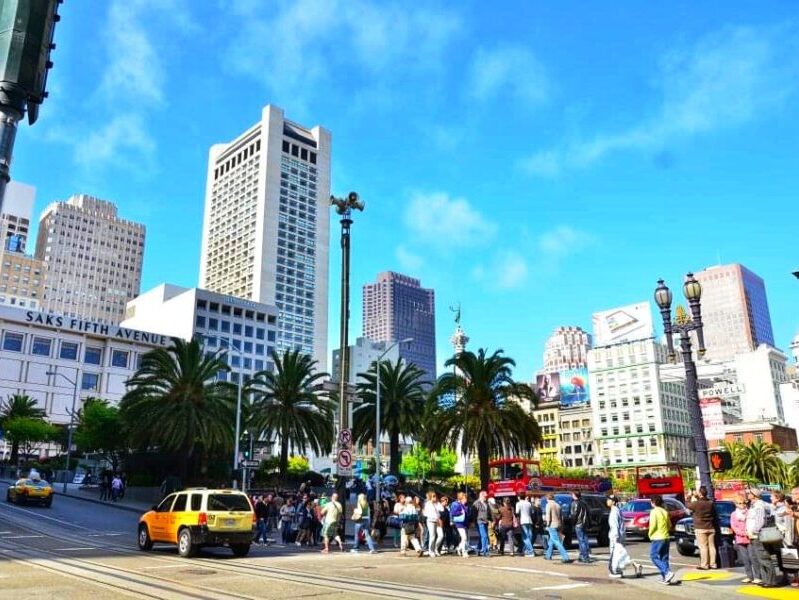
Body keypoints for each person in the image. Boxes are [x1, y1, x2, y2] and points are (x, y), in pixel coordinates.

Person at [746, 488, 778, 587]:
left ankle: (771, 581)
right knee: (760, 559)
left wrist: (754, 531)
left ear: (754, 495)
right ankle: (766, 580)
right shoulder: (754, 505)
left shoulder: (759, 505)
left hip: (758, 535)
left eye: (749, 493)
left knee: (764, 558)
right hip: (754, 536)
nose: (747, 494)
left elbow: (760, 520)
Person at [606, 494, 642, 578]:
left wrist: (615, 538)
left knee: (616, 555)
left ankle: (615, 571)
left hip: (616, 537)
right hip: (621, 535)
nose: (607, 501)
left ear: (613, 502)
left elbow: (615, 526)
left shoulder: (614, 512)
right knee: (621, 555)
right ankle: (634, 565)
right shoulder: (617, 510)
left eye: (609, 500)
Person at [687, 486, 717, 570]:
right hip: (710, 527)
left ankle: (704, 564)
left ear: (700, 493)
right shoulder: (710, 503)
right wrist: (697, 497)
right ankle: (713, 563)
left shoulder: (696, 504)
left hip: (700, 527)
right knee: (712, 546)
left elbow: (688, 505)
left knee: (703, 546)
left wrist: (689, 496)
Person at [648, 495, 675, 584]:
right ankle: (665, 578)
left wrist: (650, 534)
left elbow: (653, 525)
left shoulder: (654, 512)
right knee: (664, 557)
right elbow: (669, 525)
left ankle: (667, 572)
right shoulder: (664, 511)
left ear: (653, 502)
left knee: (653, 556)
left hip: (657, 537)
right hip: (666, 536)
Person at [730, 494, 755, 583]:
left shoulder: (749, 512)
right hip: (740, 538)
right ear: (736, 504)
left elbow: (752, 523)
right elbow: (733, 526)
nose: (742, 505)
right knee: (745, 558)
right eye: (740, 503)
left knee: (753, 557)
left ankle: (757, 576)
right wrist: (742, 533)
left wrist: (748, 532)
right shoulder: (734, 514)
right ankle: (749, 576)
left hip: (750, 537)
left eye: (744, 503)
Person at [543, 493, 571, 563]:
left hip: (552, 525)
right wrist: (562, 525)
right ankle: (548, 555)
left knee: (556, 541)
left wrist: (547, 525)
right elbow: (561, 517)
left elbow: (548, 516)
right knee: (551, 541)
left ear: (547, 498)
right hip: (559, 524)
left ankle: (566, 557)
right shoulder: (558, 505)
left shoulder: (548, 505)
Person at [570, 491, 591, 563]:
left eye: (572, 494)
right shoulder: (584, 503)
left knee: (581, 540)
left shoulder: (574, 503)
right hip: (584, 523)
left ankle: (584, 556)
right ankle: (584, 555)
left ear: (575, 495)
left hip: (578, 524)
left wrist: (573, 523)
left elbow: (574, 515)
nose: (571, 495)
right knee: (585, 539)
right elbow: (588, 513)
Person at [473, 491, 492, 557]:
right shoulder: (476, 503)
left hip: (485, 522)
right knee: (485, 536)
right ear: (481, 496)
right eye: (485, 496)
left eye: (486, 496)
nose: (486, 498)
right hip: (479, 522)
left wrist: (490, 520)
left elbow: (489, 513)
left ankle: (478, 549)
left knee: (482, 536)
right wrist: (473, 522)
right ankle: (485, 551)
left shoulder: (486, 503)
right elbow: (474, 514)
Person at [450, 492, 469, 557]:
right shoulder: (456, 504)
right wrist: (460, 512)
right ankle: (464, 552)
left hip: (464, 523)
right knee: (464, 538)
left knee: (464, 538)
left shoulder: (464, 505)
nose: (466, 500)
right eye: (465, 498)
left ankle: (459, 548)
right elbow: (453, 513)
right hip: (459, 523)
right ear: (461, 498)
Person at [423, 491, 442, 558]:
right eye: (433, 496)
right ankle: (431, 551)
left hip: (437, 521)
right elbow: (426, 514)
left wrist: (438, 503)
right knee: (432, 536)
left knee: (441, 536)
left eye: (435, 496)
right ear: (430, 497)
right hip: (431, 521)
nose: (435, 497)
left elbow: (442, 509)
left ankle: (436, 549)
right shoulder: (428, 504)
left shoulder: (437, 503)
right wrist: (434, 517)